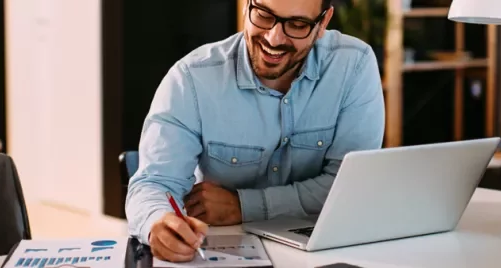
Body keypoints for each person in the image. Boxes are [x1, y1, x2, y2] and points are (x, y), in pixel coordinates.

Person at [125, 0, 385, 262]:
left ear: (323, 23)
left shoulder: (354, 65)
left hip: (323, 254)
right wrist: (156, 223)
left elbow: (347, 188)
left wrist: (243, 206)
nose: (274, 37)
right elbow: (153, 184)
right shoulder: (191, 78)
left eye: (297, 25)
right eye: (263, 14)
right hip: (219, 253)